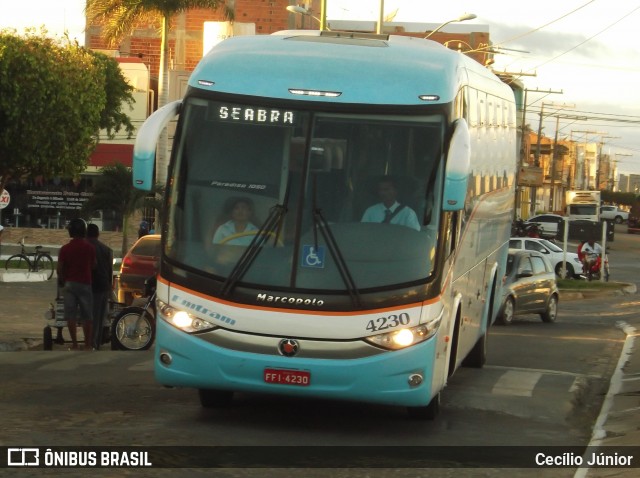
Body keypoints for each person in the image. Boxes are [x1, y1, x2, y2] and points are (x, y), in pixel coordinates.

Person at [56, 218, 96, 350]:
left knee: (71, 315)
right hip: (85, 283)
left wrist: (63, 280)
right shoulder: (89, 248)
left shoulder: (65, 249)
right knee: (87, 316)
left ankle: (74, 344)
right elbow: (94, 265)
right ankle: (87, 345)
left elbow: (59, 268)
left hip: (69, 284)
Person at [87, 223, 114, 350]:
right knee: (98, 316)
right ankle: (95, 343)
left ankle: (89, 341)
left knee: (87, 315)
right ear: (98, 234)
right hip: (102, 286)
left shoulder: (85, 247)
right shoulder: (106, 249)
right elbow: (109, 270)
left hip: (87, 284)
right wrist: (109, 287)